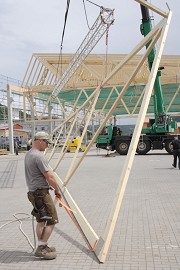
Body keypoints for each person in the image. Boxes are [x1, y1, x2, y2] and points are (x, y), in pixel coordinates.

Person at [24, 131, 61, 260]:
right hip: (41, 193)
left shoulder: (29, 154)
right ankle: (42, 248)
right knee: (52, 219)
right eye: (46, 142)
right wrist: (57, 190)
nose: (47, 145)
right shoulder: (39, 156)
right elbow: (49, 176)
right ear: (40, 140)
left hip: (33, 192)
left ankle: (42, 245)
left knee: (41, 220)